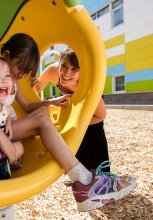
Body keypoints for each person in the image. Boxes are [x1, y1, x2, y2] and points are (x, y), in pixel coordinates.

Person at [0, 33, 137, 211]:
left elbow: (27, 106)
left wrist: (52, 102)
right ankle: (83, 181)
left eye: (26, 72)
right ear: (6, 56)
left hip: (2, 131)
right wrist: (1, 137)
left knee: (41, 114)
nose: (21, 74)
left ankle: (82, 178)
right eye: (20, 67)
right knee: (40, 120)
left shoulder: (13, 84)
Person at [33, 47, 110, 186]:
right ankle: (78, 176)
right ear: (60, 62)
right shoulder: (52, 71)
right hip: (72, 103)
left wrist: (77, 123)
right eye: (64, 65)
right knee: (72, 140)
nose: (67, 73)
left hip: (91, 109)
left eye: (74, 69)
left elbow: (101, 115)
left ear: (82, 71)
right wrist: (33, 84)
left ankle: (102, 178)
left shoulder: (89, 84)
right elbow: (35, 90)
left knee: (93, 135)